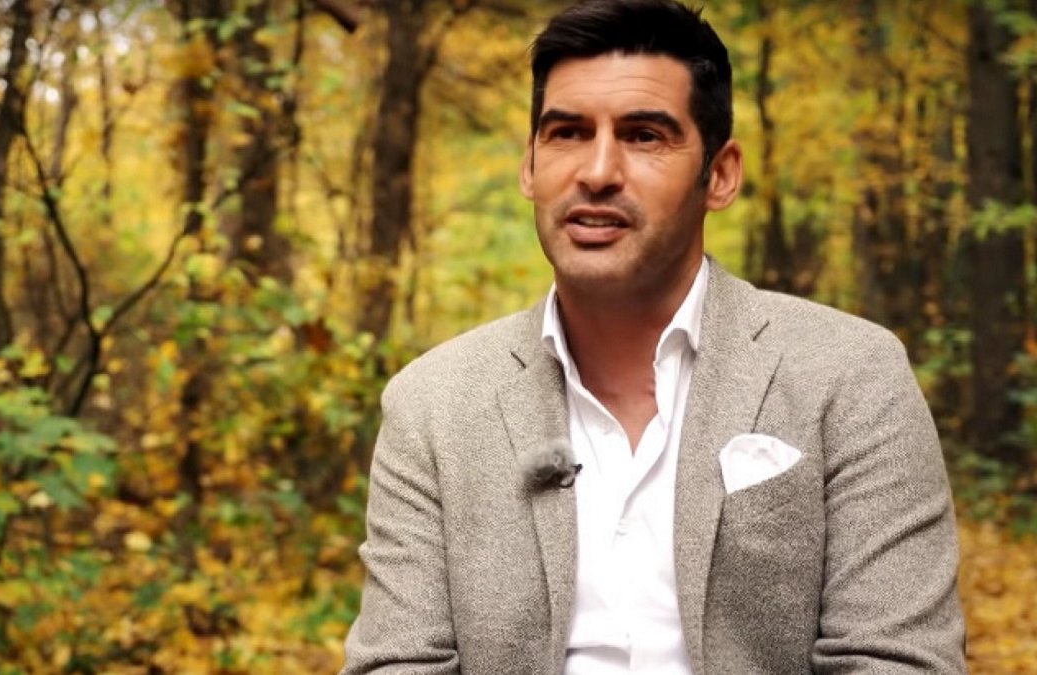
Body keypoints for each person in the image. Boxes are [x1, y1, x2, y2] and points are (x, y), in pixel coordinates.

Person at [340, 0, 966, 672]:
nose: (597, 172)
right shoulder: (432, 405)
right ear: (529, 167)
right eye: (567, 133)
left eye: (644, 136)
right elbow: (396, 662)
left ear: (719, 175)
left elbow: (900, 660)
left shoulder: (849, 375)